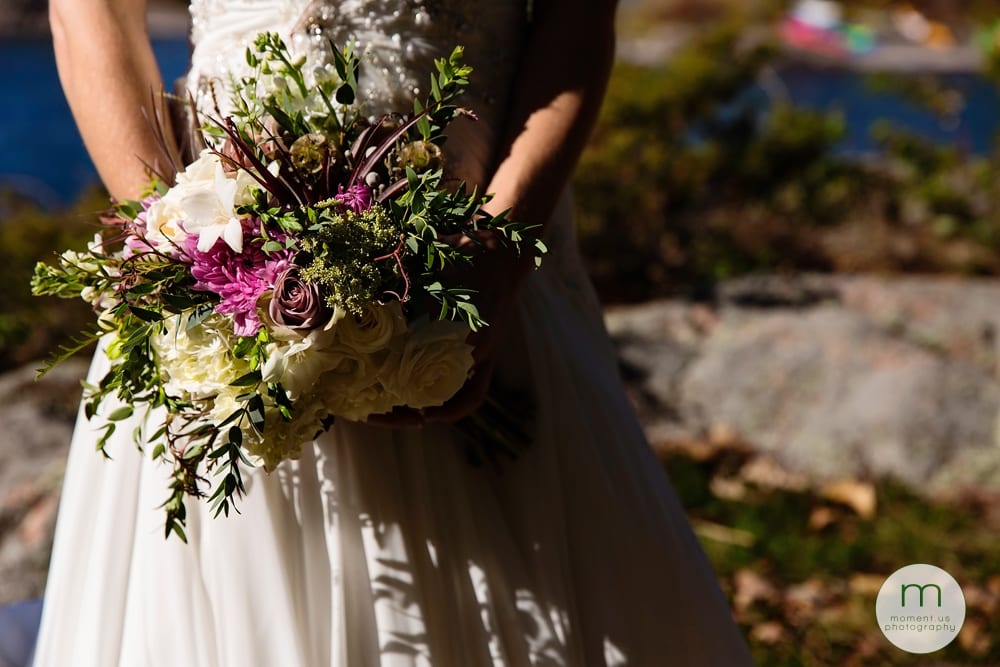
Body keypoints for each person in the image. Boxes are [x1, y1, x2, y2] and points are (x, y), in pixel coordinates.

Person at [34, 0, 755, 665]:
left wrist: (496, 263)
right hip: (223, 261)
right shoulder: (202, 263)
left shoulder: (493, 271)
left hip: (484, 257)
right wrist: (189, 253)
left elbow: (576, 17)